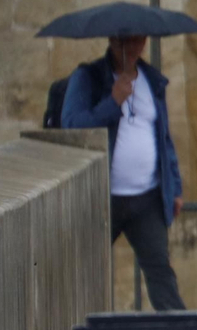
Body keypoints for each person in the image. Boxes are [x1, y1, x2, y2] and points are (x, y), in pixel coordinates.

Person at [62, 33, 186, 311]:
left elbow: (163, 137)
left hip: (147, 197)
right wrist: (113, 101)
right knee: (82, 271)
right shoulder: (89, 77)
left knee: (161, 274)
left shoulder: (152, 80)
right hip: (100, 198)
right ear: (111, 41)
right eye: (123, 41)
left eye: (137, 41)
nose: (131, 48)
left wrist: (175, 187)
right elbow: (71, 124)